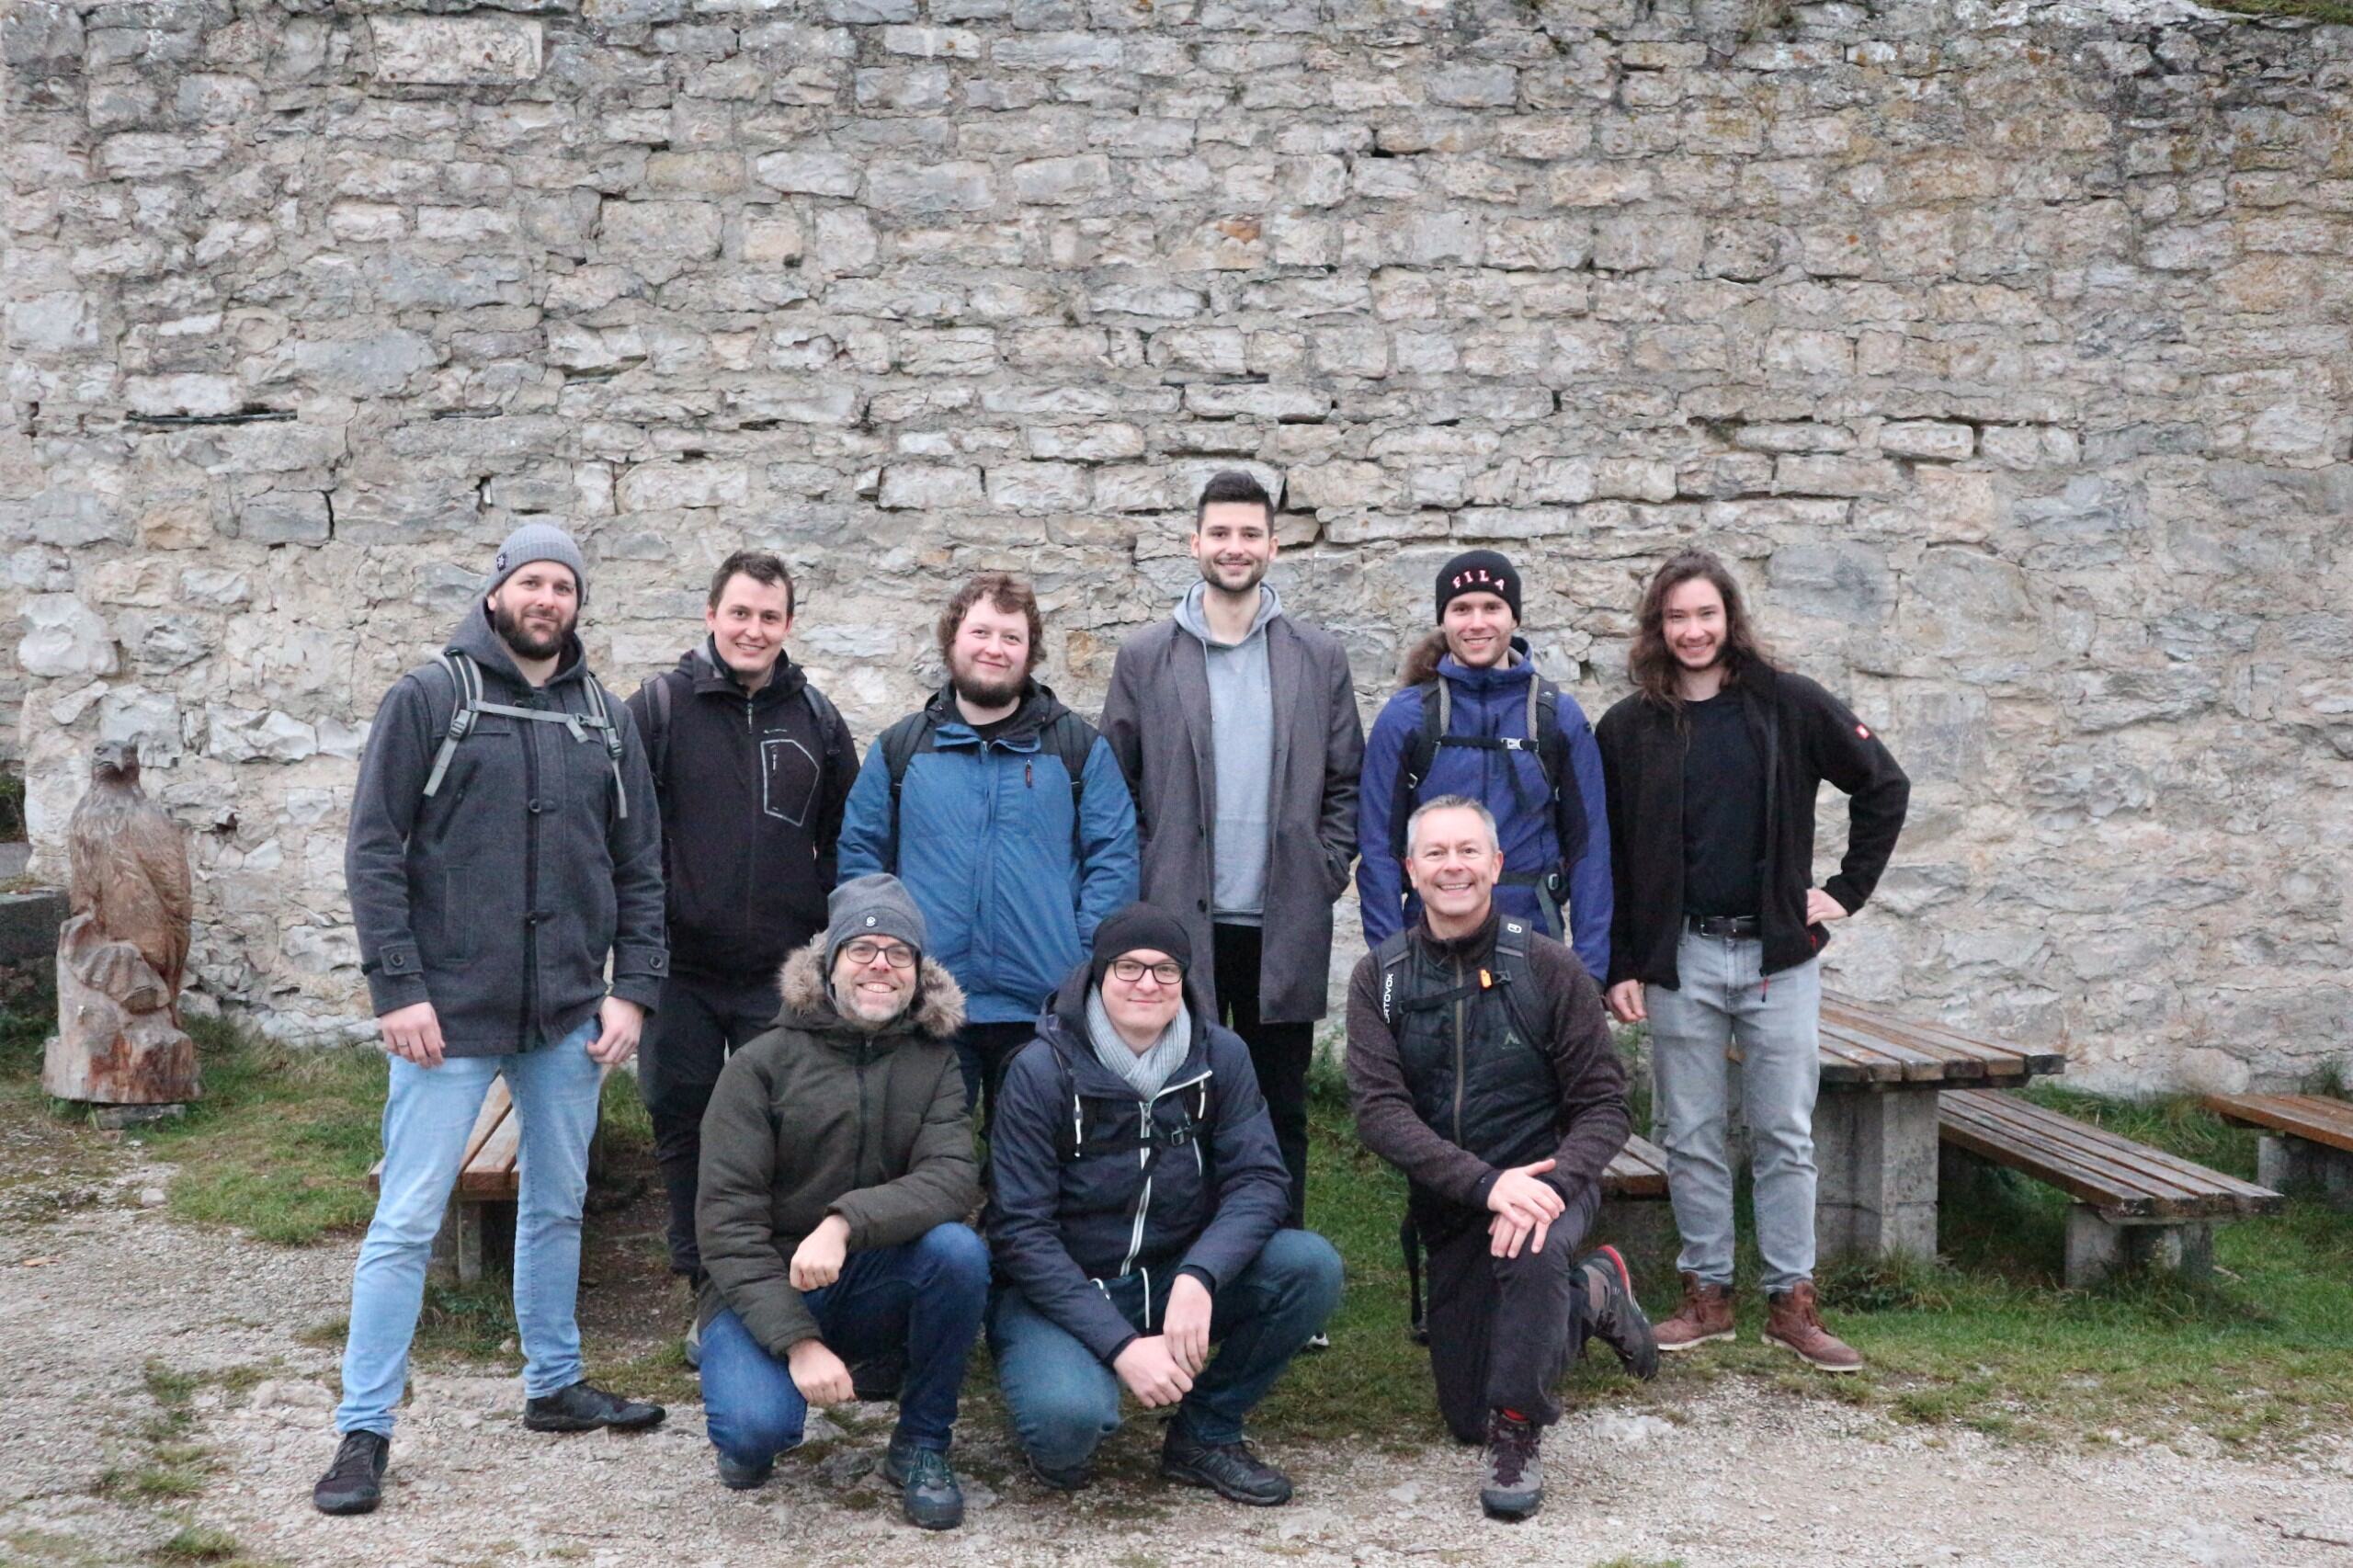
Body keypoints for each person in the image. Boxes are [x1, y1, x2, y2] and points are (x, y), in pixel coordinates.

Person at [319, 524, 669, 1517]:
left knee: (557, 1201)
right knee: (405, 1219)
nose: (546, 598)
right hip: (448, 1016)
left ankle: (554, 1383)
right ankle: (364, 1426)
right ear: (497, 591)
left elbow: (641, 865)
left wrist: (632, 985)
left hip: (566, 1011)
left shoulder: (604, 715)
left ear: (577, 602)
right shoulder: (431, 697)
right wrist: (399, 988)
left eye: (563, 584)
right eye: (531, 581)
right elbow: (374, 849)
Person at [1595, 550, 1910, 1374]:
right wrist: (1619, 962)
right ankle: (1707, 1294)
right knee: (1691, 1132)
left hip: (1776, 956)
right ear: (1657, 628)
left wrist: (1847, 889)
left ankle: (1791, 1301)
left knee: (1782, 1132)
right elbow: (1613, 859)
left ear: (1729, 619)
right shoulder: (1629, 728)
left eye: (1706, 615)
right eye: (1676, 617)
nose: (1692, 631)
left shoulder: (1789, 705)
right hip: (1682, 957)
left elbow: (1884, 785)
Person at [1346, 795, 1656, 1522]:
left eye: (1467, 851)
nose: (1452, 866)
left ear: (1496, 863)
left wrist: (1547, 1185)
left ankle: (1518, 1436)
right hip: (1457, 1196)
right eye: (1435, 854)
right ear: (1410, 871)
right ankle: (1594, 1294)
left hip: (1550, 1181)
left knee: (1532, 1254)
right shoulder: (1381, 977)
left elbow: (1605, 1105)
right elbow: (1378, 1111)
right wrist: (1486, 1186)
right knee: (1462, 1411)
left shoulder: (1548, 966)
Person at [985, 904, 1342, 1506]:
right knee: (1066, 1428)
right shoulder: (1040, 1071)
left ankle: (1204, 1433)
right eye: (1128, 967)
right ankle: (1067, 1398)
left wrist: (1202, 1277)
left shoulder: (1221, 1056)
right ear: (1097, 974)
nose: (1147, 984)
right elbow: (1020, 1233)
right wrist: (1122, 1347)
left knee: (1310, 1265)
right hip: (1065, 1291)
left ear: (1185, 980)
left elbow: (1260, 1181)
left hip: (1177, 1279)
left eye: (1166, 970)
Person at [1100, 470, 1364, 1233]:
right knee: (1182, 1098)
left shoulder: (1317, 656)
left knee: (1280, 1108)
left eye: (1250, 533)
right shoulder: (1148, 656)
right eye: (1220, 532)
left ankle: (1283, 1268)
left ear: (1274, 547)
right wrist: (1145, 890)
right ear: (1195, 543)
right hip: (1180, 924)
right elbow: (1115, 787)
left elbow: (1346, 782)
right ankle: (1187, 1261)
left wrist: (1324, 868)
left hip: (1282, 917)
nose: (1234, 547)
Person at [693, 874, 985, 1530]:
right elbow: (725, 1223)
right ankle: (758, 1395)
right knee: (752, 1437)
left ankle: (922, 1444)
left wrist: (843, 1221)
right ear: (828, 966)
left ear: (917, 973)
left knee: (957, 1252)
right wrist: (798, 1344)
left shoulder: (936, 1063)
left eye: (898, 952)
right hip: (766, 1281)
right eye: (862, 949)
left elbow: (951, 1180)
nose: (880, 965)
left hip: (875, 1271)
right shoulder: (759, 1064)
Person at [624, 551, 858, 1346]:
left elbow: (845, 844)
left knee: (778, 1132)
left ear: (788, 625)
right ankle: (704, 1284)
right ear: (710, 615)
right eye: (740, 614)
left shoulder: (819, 720)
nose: (753, 630)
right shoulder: (657, 709)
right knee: (683, 1123)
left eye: (769, 617)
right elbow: (622, 838)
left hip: (780, 976)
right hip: (678, 970)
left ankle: (771, 1282)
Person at [835, 572, 1138, 1125]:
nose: (994, 649)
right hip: (929, 998)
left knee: (1032, 1162)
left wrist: (1081, 954)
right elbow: (861, 858)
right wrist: (886, 950)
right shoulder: (901, 750)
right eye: (980, 632)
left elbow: (1113, 858)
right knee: (920, 1152)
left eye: (1011, 637)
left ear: (1030, 652)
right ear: (952, 640)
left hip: (1043, 1004)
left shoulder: (1077, 750)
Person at [1357, 549, 1611, 981]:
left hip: (1536, 945)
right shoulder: (1406, 718)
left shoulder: (1557, 718)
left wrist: (1590, 971)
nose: (1477, 623)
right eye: (1461, 609)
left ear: (1514, 618)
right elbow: (1378, 850)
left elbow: (1590, 849)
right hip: (1430, 949)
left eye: (1492, 607)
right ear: (1443, 620)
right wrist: (1391, 965)